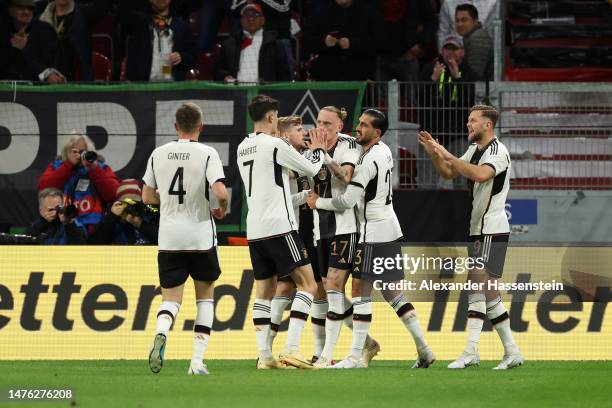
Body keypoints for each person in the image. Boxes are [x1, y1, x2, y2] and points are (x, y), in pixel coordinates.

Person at [307, 109, 434, 369]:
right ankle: (424, 349)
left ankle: (355, 357)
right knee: (393, 293)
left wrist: (318, 201)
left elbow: (347, 200)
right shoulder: (384, 151)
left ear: (377, 132)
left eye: (365, 126)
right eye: (359, 123)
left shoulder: (366, 163)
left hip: (373, 232)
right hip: (390, 229)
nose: (359, 128)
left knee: (358, 291)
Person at [418, 104, 524, 370]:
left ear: (487, 125)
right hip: (478, 229)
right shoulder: (475, 150)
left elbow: (479, 173)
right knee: (488, 292)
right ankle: (512, 351)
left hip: (491, 228)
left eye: (473, 121)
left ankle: (471, 351)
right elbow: (450, 172)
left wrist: (445, 152)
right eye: (469, 120)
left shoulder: (498, 151)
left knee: (475, 284)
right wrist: (434, 154)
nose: (469, 124)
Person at [236, 94, 326, 369]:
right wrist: (319, 149)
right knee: (309, 284)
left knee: (265, 292)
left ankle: (265, 356)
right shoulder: (275, 144)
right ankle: (292, 348)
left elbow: (272, 186)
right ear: (272, 117)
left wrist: (299, 197)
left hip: (255, 229)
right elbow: (311, 168)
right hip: (280, 227)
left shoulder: (243, 146)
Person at [143, 102, 229, 376]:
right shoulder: (207, 153)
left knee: (171, 299)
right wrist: (222, 210)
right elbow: (221, 192)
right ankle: (196, 361)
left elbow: (146, 196)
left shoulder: (159, 153)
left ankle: (161, 332)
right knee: (204, 299)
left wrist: (165, 200)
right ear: (200, 126)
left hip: (169, 238)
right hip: (200, 236)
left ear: (175, 126)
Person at [307, 106, 380, 368]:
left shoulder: (350, 146)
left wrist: (323, 155)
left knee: (335, 286)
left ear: (339, 126)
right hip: (320, 228)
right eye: (318, 122)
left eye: (327, 123)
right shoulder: (310, 147)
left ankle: (327, 355)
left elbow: (346, 177)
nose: (321, 127)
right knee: (323, 290)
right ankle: (365, 343)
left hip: (346, 228)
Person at [268, 115, 327, 362]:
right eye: (299, 128)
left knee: (319, 290)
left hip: (307, 231)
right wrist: (305, 196)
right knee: (295, 288)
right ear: (284, 134)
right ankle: (282, 349)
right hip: (293, 232)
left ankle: (318, 353)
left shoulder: (298, 158)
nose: (304, 132)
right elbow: (282, 201)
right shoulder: (281, 159)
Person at [37, 133, 120, 235]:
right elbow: (44, 190)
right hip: (62, 228)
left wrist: (94, 169)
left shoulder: (100, 168)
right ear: (66, 152)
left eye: (82, 152)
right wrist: (68, 165)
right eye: (73, 152)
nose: (78, 155)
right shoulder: (56, 167)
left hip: (95, 230)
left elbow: (114, 195)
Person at [23, 0, 111, 82]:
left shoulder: (84, 14)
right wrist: (47, 74)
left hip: (78, 85)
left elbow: (103, 6)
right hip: (46, 87)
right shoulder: (39, 20)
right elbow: (31, 54)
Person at [302, 0, 383, 81]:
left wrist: (353, 43)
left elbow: (379, 43)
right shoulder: (319, 13)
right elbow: (306, 42)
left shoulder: (369, 12)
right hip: (328, 77)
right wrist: (324, 41)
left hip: (361, 76)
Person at [214, 3, 291, 83]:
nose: (251, 19)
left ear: (263, 20)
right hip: (236, 93)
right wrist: (225, 76)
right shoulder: (228, 45)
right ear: (241, 21)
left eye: (255, 15)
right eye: (246, 16)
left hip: (266, 93)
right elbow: (218, 71)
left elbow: (284, 77)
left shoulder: (275, 44)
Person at [120, 0, 195, 81]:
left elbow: (192, 57)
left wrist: (181, 57)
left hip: (173, 87)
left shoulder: (182, 27)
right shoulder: (138, 26)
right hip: (144, 88)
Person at [376, 0, 438, 82]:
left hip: (408, 57)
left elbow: (432, 21)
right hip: (382, 58)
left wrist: (421, 44)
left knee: (410, 94)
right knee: (382, 95)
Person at [88, 179, 159, 245]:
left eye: (133, 203)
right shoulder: (114, 217)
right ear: (119, 203)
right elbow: (94, 244)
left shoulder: (149, 210)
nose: (130, 207)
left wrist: (141, 224)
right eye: (126, 203)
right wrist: (111, 217)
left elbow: (166, 238)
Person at [454, 3, 493, 81]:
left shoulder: (478, 38)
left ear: (475, 21)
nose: (459, 24)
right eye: (457, 20)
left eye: (464, 20)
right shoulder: (472, 36)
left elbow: (474, 76)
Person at [0, 0, 36, 81]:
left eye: (30, 8)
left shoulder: (42, 30)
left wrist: (25, 49)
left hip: (33, 87)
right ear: (10, 10)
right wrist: (13, 49)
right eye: (21, 8)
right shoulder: (4, 32)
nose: (26, 12)